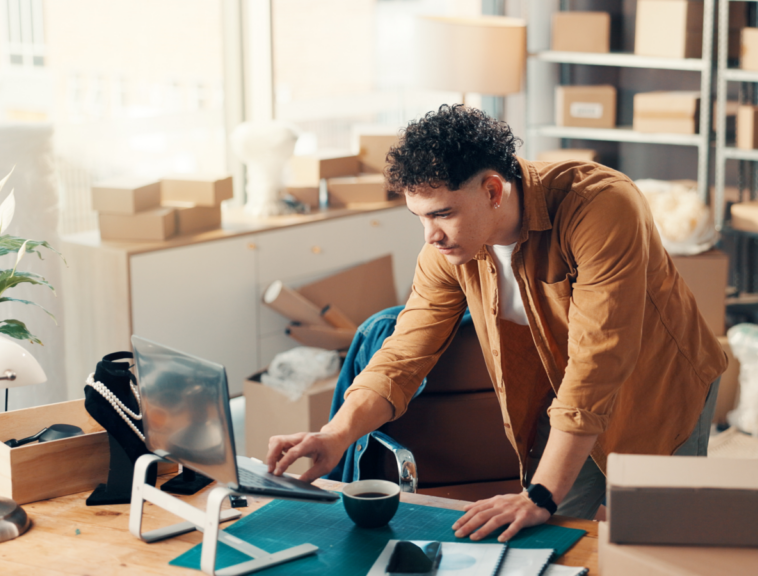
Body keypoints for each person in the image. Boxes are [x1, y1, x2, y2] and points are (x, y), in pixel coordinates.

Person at [267, 104, 727, 542]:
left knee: (655, 541)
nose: (431, 236)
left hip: (660, 386)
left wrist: (542, 494)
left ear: (492, 191)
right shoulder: (446, 253)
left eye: (442, 214)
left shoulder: (600, 206)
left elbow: (598, 362)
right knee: (554, 538)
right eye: (420, 217)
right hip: (562, 391)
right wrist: (336, 434)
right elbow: (403, 355)